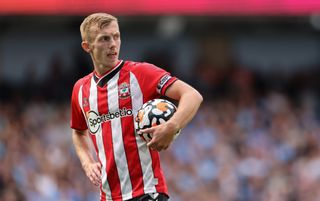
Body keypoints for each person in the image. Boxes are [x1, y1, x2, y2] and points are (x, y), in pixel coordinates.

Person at [70, 13, 203, 201]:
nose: (113, 44)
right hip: (108, 197)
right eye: (104, 39)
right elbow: (78, 131)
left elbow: (192, 95)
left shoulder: (140, 73)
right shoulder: (80, 89)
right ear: (87, 46)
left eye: (116, 36)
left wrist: (172, 126)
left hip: (147, 192)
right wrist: (87, 162)